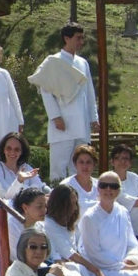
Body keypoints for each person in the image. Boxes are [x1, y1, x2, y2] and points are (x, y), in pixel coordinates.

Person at [32, 22, 99, 181]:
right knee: (59, 166)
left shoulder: (83, 62)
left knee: (79, 164)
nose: (81, 42)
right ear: (66, 38)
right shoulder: (53, 61)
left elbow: (89, 92)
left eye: (82, 38)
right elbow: (46, 91)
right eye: (78, 38)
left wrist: (93, 118)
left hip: (81, 122)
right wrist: (55, 117)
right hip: (63, 121)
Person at [60, 144, 99, 218]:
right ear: (75, 164)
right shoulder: (66, 185)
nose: (85, 166)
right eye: (81, 162)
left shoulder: (100, 185)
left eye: (88, 162)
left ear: (94, 164)